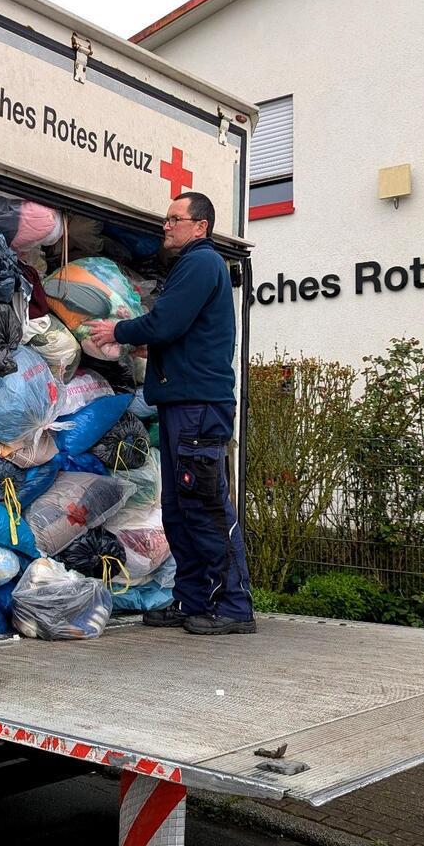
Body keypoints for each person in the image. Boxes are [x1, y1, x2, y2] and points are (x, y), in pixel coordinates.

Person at [88, 192, 255, 634]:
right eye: (166, 219)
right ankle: (192, 599)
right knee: (179, 508)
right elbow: (179, 332)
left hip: (200, 406)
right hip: (183, 404)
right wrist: (153, 344)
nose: (166, 226)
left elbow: (167, 322)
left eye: (174, 219)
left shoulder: (202, 263)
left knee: (205, 505)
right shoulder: (194, 266)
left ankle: (234, 606)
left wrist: (119, 331)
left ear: (200, 226)